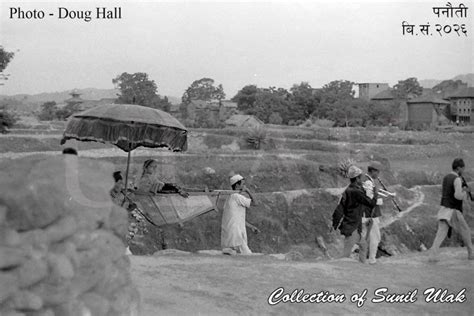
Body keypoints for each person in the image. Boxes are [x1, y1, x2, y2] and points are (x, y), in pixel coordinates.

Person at [428, 158, 473, 261]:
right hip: (453, 211)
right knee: (466, 231)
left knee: (440, 235)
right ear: (459, 168)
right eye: (463, 168)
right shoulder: (457, 179)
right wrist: (465, 192)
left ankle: (432, 256)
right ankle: (471, 254)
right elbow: (457, 196)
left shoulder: (446, 177)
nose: (464, 170)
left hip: (443, 209)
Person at [332, 165, 377, 263]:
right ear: (357, 178)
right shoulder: (356, 192)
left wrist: (335, 224)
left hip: (353, 225)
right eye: (360, 177)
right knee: (346, 254)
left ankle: (361, 266)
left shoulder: (348, 190)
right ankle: (340, 269)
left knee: (364, 245)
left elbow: (339, 209)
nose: (362, 180)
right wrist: (374, 193)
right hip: (352, 226)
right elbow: (371, 203)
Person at [221, 174, 257, 255]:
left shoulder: (230, 197)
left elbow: (237, 218)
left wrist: (251, 227)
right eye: (243, 184)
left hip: (231, 236)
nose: (245, 186)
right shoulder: (237, 197)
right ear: (237, 185)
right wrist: (248, 191)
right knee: (247, 255)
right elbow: (255, 203)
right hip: (237, 235)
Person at [361, 161, 385, 264]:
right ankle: (372, 259)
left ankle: (361, 259)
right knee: (375, 237)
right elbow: (369, 199)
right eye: (377, 172)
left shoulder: (366, 180)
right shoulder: (368, 182)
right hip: (370, 214)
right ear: (373, 171)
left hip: (365, 213)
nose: (378, 174)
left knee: (364, 236)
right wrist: (384, 199)